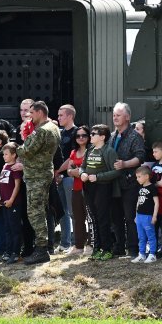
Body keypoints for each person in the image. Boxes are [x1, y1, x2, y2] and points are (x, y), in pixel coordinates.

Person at [15, 101, 60, 265]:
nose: (30, 117)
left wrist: (15, 147)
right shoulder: (54, 128)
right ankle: (43, 247)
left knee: (35, 212)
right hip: (43, 173)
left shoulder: (42, 131)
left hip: (37, 176)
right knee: (41, 210)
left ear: (40, 112)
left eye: (32, 113)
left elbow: (26, 150)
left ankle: (41, 249)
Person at [110, 102, 147, 258]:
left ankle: (133, 249)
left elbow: (140, 157)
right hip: (114, 183)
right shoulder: (112, 136)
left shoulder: (134, 136)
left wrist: (125, 164)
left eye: (118, 115)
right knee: (116, 217)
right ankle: (119, 246)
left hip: (130, 183)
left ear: (127, 117)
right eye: (114, 115)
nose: (115, 118)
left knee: (130, 217)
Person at [80, 124, 120, 261]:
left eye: (93, 134)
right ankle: (96, 248)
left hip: (103, 188)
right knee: (93, 218)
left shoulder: (109, 151)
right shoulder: (89, 150)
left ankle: (107, 249)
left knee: (103, 219)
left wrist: (98, 177)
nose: (90, 136)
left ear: (102, 137)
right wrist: (82, 174)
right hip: (89, 188)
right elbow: (82, 167)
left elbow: (116, 171)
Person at [64, 125, 92, 256]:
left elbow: (90, 169)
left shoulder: (92, 151)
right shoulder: (73, 152)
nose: (81, 138)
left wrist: (78, 171)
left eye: (84, 135)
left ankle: (91, 244)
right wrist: (75, 172)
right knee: (77, 217)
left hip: (89, 188)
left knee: (91, 217)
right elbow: (69, 170)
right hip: (76, 188)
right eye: (78, 136)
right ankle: (78, 245)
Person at [55, 104, 78, 253]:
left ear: (70, 116)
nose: (58, 118)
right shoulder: (60, 133)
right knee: (61, 212)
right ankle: (65, 243)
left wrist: (57, 171)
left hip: (70, 176)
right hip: (59, 177)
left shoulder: (77, 133)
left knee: (73, 211)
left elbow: (72, 158)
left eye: (61, 115)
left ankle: (77, 242)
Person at [0, 142, 24, 263]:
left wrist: (12, 199)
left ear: (14, 155)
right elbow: (3, 185)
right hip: (4, 203)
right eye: (4, 154)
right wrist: (0, 197)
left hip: (13, 203)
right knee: (7, 228)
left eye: (6, 154)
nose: (4, 156)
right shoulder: (4, 167)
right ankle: (8, 251)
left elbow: (17, 185)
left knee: (15, 229)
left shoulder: (15, 168)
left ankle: (16, 252)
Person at [132, 166, 159, 264]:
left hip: (148, 216)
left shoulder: (152, 188)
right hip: (139, 216)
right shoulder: (140, 188)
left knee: (150, 236)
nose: (137, 179)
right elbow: (138, 202)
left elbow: (156, 202)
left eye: (139, 176)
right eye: (137, 177)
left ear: (146, 176)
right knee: (141, 237)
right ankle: (142, 254)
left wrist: (154, 216)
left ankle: (152, 255)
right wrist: (136, 215)